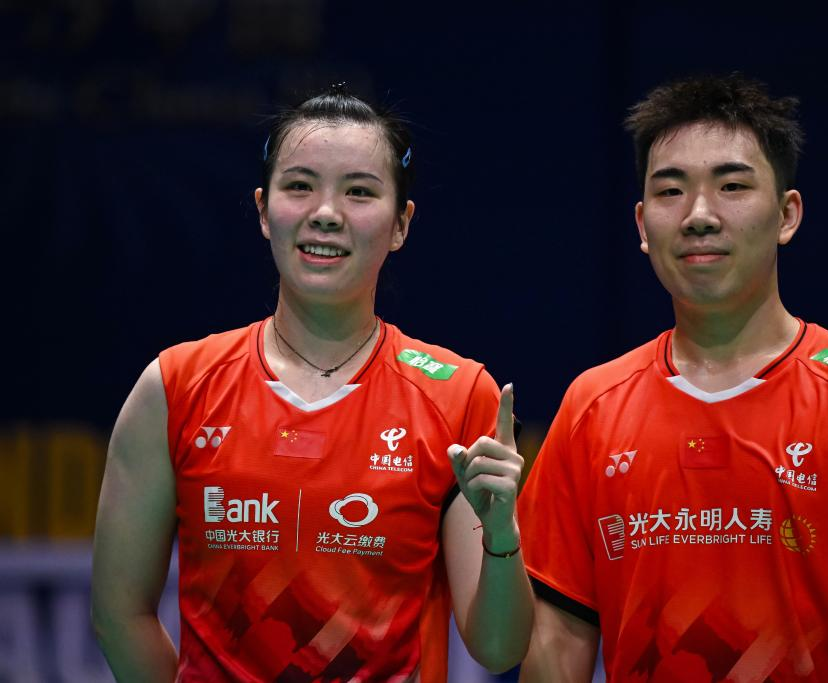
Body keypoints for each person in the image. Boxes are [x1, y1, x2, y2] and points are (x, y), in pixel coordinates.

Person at [518, 74, 828, 681]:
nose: (699, 215)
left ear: (787, 214)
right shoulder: (592, 405)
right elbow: (557, 639)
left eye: (733, 185)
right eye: (670, 191)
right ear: (641, 225)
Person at [91, 85, 532, 682]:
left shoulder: (458, 396)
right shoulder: (175, 386)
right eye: (299, 186)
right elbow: (119, 614)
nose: (326, 212)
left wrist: (502, 535)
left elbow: (499, 650)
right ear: (262, 210)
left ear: (401, 224)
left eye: (359, 192)